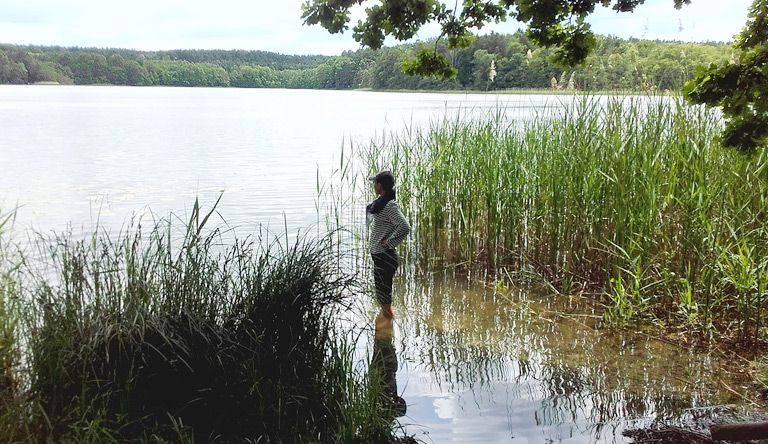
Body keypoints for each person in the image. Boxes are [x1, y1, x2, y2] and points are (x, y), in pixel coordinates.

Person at [366, 170, 410, 324]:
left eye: (375, 183)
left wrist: (388, 242)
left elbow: (404, 226)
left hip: (385, 256)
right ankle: (386, 324)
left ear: (380, 185)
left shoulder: (389, 205)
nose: (373, 186)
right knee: (383, 295)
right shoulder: (382, 203)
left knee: (384, 296)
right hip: (380, 256)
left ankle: (386, 329)